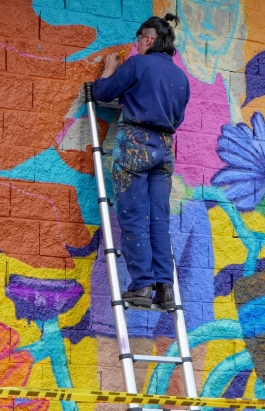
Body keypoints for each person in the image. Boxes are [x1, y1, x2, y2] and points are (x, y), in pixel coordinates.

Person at [93, 14, 190, 308]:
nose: (136, 46)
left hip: (136, 145)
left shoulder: (137, 64)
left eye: (138, 41)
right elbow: (179, 118)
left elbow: (102, 93)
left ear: (148, 39)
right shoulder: (181, 78)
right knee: (159, 219)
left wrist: (109, 70)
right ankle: (165, 289)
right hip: (164, 150)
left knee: (134, 216)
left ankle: (141, 287)